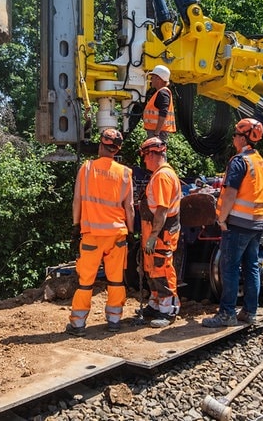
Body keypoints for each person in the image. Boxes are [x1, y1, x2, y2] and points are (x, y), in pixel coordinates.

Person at [202, 118, 263, 328]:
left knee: (229, 267)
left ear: (242, 138)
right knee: (251, 267)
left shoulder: (239, 161)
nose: (233, 139)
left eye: (235, 135)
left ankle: (227, 314)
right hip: (258, 222)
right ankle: (249, 312)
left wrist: (221, 218)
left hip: (239, 223)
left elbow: (230, 193)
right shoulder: (259, 160)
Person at [67, 128, 135, 337]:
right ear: (116, 150)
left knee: (85, 281)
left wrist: (75, 226)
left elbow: (77, 200)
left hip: (92, 235)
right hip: (117, 236)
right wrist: (131, 232)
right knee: (116, 280)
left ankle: (78, 324)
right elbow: (130, 207)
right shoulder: (125, 172)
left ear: (100, 146)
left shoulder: (86, 168)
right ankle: (114, 319)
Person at [135, 137, 182, 328]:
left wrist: (153, 235)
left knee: (162, 269)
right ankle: (155, 304)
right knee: (151, 269)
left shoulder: (163, 176)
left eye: (145, 156)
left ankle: (168, 309)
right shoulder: (159, 174)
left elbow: (162, 210)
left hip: (161, 233)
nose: (144, 161)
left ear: (154, 154)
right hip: (154, 231)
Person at [142, 65, 176, 142]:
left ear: (158, 78)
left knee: (156, 152)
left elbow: (163, 113)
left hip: (158, 132)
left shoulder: (162, 93)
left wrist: (156, 133)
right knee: (153, 152)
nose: (151, 79)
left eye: (153, 77)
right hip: (156, 131)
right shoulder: (160, 92)